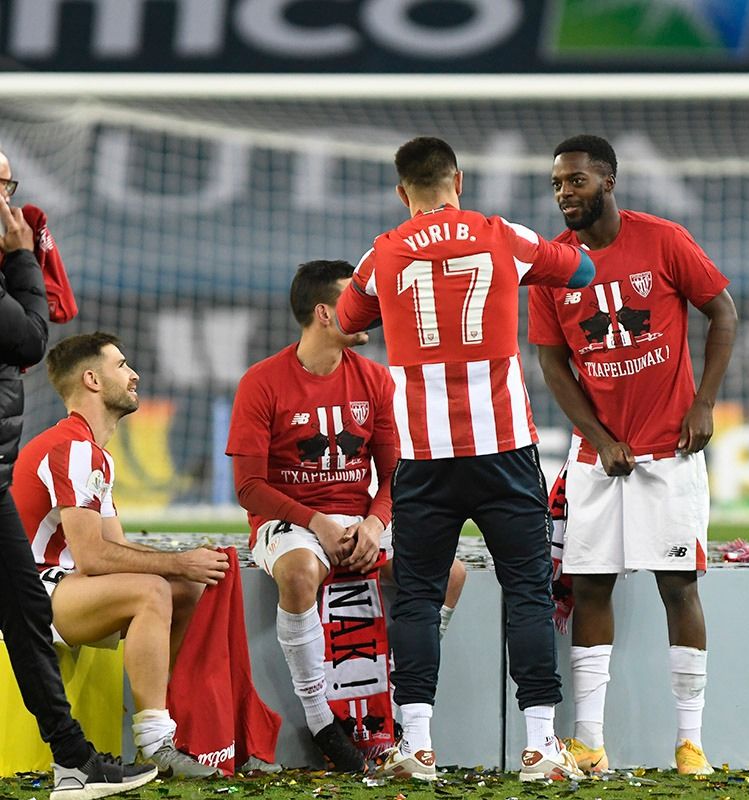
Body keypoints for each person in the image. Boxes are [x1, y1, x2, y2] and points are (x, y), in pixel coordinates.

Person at [335, 136, 594, 782]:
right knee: (529, 592)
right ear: (459, 179)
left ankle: (416, 746)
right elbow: (581, 271)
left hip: (425, 456)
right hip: (505, 449)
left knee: (419, 597)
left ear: (404, 193)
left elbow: (346, 315)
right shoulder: (501, 234)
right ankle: (540, 747)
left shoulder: (384, 251)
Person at [529, 135, 738, 775]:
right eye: (558, 183)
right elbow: (551, 362)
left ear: (609, 181)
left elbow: (722, 312)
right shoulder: (549, 265)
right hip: (596, 462)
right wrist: (596, 434)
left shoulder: (664, 240)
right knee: (590, 585)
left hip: (669, 454)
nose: (565, 192)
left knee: (678, 586)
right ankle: (589, 742)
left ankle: (690, 743)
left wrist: (703, 404)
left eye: (577, 181)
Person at [225, 259, 467, 773]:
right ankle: (321, 724)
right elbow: (248, 488)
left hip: (362, 519)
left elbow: (397, 473)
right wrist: (317, 523)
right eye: (355, 302)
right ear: (324, 313)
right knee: (299, 572)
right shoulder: (261, 383)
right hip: (292, 520)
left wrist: (375, 524)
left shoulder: (378, 380)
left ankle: (402, 705)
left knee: (450, 573)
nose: (369, 313)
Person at [0, 165, 157, 799]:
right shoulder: (70, 447)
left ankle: (73, 760)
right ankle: (136, 743)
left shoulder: (94, 450)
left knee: (26, 611)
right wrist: (19, 259)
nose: (10, 201)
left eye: (8, 185)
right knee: (31, 606)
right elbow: (34, 336)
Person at [11, 331, 230, 779]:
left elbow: (118, 546)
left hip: (58, 586)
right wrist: (174, 562)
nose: (134, 375)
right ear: (92, 379)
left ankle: (157, 718)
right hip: (26, 595)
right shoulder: (72, 449)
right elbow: (93, 557)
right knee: (152, 588)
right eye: (122, 365)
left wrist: (187, 563)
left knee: (184, 587)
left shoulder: (92, 453)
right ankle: (155, 743)